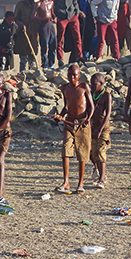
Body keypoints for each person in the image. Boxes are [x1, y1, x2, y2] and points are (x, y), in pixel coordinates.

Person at [53, 64, 94, 194]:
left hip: (82, 124)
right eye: (70, 75)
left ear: (79, 75)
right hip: (69, 123)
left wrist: (87, 119)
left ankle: (80, 183)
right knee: (65, 151)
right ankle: (66, 182)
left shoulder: (84, 87)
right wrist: (60, 115)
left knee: (82, 153)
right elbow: (66, 106)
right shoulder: (65, 89)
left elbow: (91, 107)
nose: (72, 78)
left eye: (75, 75)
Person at [89, 73, 111, 189]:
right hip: (93, 126)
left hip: (103, 128)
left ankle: (102, 178)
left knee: (101, 152)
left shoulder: (106, 95)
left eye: (94, 84)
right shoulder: (91, 94)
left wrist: (100, 129)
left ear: (101, 84)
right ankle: (97, 170)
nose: (92, 86)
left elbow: (107, 115)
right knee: (92, 153)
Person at [54, 0, 83, 66]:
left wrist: (77, 11)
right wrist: (56, 14)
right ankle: (60, 59)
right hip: (61, 16)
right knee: (60, 38)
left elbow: (75, 2)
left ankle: (80, 57)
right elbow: (53, 3)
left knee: (77, 37)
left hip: (72, 15)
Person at [14, 0, 39, 70]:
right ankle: (22, 73)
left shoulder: (37, 4)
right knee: (23, 58)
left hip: (34, 33)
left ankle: (32, 74)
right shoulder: (20, 4)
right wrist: (21, 24)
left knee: (33, 56)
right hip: (23, 34)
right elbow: (16, 18)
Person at [33, 0, 57, 69]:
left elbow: (52, 13)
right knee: (44, 46)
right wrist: (43, 19)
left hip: (51, 24)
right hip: (43, 25)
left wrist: (54, 18)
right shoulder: (38, 4)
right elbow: (34, 16)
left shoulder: (51, 2)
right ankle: (45, 64)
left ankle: (51, 64)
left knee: (53, 44)